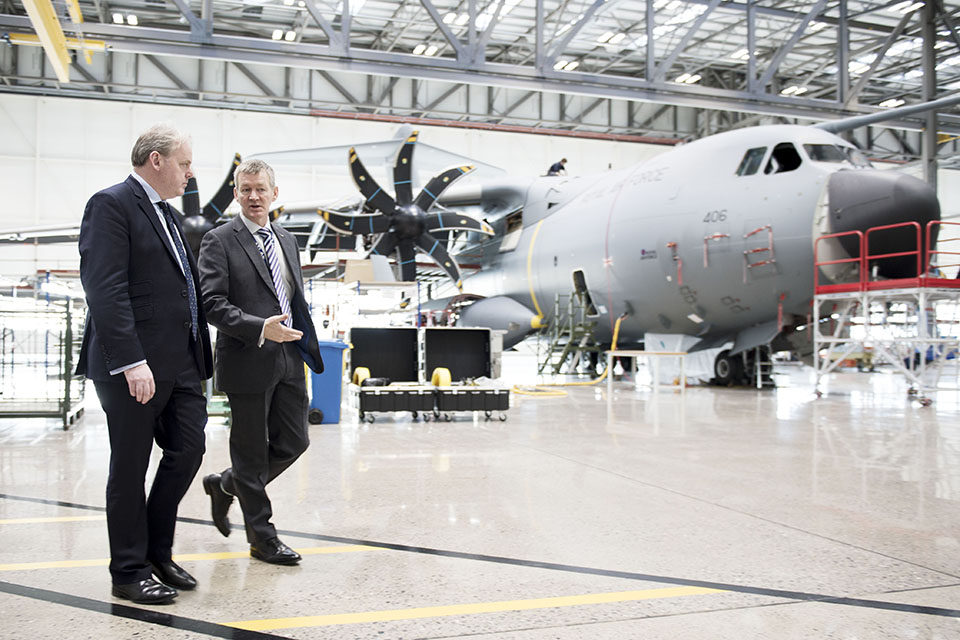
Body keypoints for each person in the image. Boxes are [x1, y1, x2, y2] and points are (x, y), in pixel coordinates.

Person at [76, 123, 213, 605]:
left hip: (181, 365)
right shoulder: (111, 204)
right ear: (156, 160)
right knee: (131, 467)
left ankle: (157, 552)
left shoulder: (169, 217)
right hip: (132, 366)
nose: (190, 174)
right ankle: (129, 570)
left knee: (188, 451)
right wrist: (131, 360)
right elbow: (105, 287)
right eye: (185, 163)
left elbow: (185, 292)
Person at [198, 159, 323, 565]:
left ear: (274, 193)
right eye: (245, 189)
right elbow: (212, 304)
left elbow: (292, 295)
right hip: (247, 355)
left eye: (260, 189)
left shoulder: (286, 238)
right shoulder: (219, 240)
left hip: (290, 353)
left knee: (295, 441)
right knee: (251, 453)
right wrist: (258, 327)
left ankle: (226, 484)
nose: (253, 196)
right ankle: (262, 538)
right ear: (236, 193)